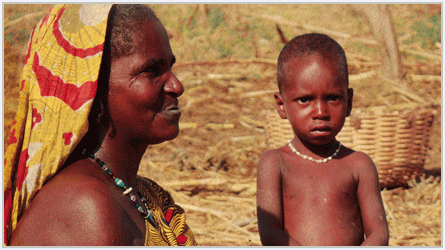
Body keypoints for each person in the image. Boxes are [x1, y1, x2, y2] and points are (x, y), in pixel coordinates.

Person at [4, 4, 197, 246]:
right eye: (151, 71)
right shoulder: (84, 204)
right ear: (93, 90)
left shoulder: (144, 195)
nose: (176, 86)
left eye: (170, 67)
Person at [256, 33, 389, 246]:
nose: (320, 111)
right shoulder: (275, 163)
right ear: (281, 106)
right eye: (305, 100)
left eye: (333, 98)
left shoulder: (358, 165)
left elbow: (378, 233)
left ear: (349, 102)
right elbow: (270, 232)